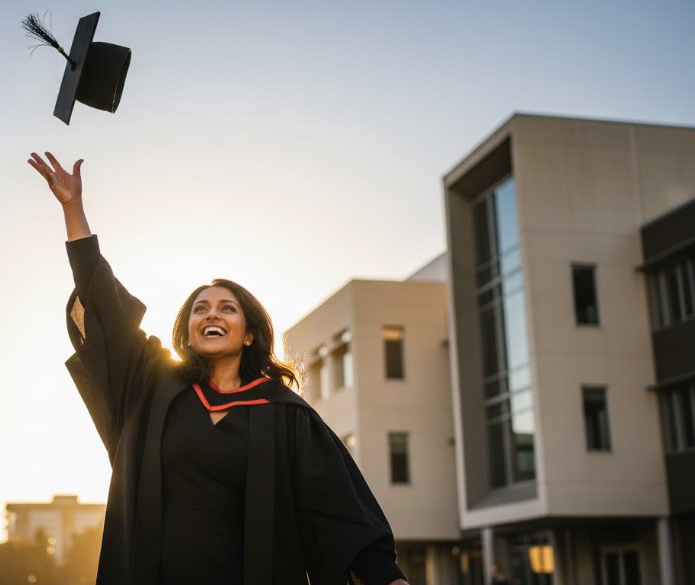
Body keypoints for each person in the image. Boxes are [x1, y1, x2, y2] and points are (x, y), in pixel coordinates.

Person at [29, 151, 410, 585]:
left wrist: (389, 579)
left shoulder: (283, 413)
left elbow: (337, 509)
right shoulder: (154, 386)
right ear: (188, 330)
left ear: (249, 333)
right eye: (200, 309)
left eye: (227, 308)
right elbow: (107, 311)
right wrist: (73, 210)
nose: (212, 315)